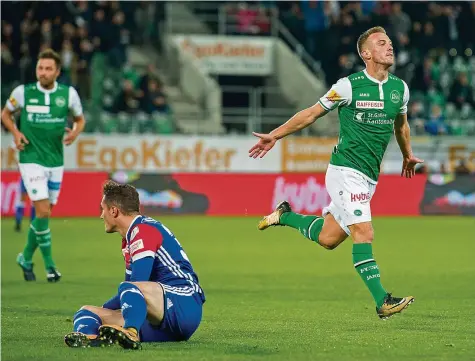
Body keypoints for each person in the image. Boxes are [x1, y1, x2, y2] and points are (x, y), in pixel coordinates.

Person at [249, 26, 423, 320]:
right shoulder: (348, 86)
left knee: (329, 239)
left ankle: (284, 215)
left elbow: (401, 125)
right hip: (345, 170)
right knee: (364, 232)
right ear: (366, 54)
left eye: (390, 43)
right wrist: (276, 135)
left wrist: (407, 154)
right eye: (382, 43)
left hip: (369, 177)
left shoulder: (400, 88)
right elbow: (311, 113)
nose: (389, 47)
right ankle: (383, 300)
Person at [64, 181, 205, 349]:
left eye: (103, 209)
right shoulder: (130, 239)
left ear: (114, 211)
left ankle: (131, 332)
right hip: (160, 318)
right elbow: (131, 295)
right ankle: (92, 339)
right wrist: (104, 310)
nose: (101, 215)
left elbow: (136, 284)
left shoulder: (143, 230)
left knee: (128, 288)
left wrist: (112, 309)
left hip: (184, 303)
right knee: (87, 312)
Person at [1, 49, 86, 282]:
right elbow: (5, 114)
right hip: (30, 159)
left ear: (57, 72)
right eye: (40, 68)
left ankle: (25, 258)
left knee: (44, 215)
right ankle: (50, 266)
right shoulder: (23, 92)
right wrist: (16, 133)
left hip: (56, 161)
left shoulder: (68, 95)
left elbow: (80, 120)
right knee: (43, 210)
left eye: (49, 69)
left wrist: (75, 134)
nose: (44, 73)